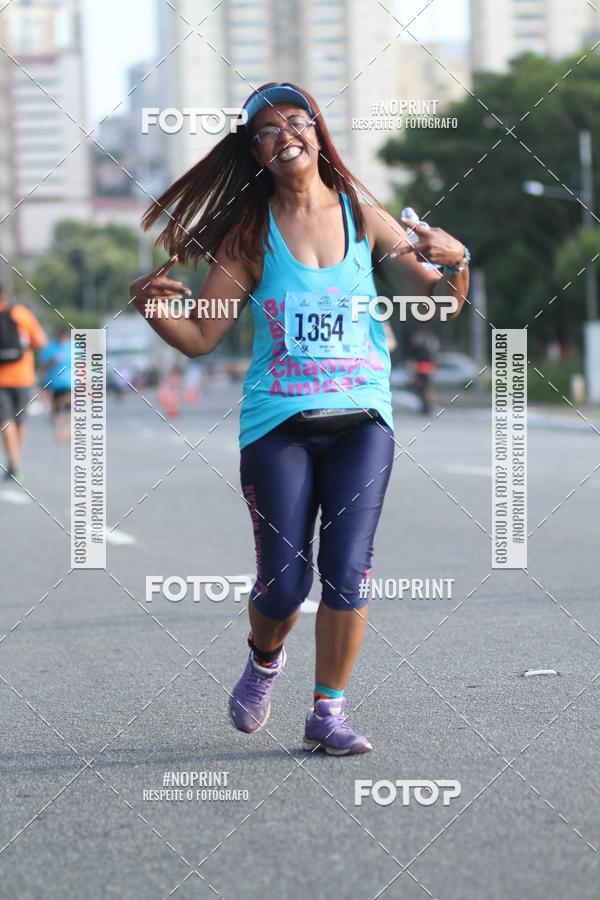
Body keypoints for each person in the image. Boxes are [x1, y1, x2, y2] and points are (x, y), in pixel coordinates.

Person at [129, 83, 470, 754]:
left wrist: (459, 262)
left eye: (296, 119)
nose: (284, 132)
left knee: (348, 569)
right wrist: (151, 309)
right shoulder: (248, 237)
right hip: (278, 424)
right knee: (285, 586)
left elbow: (440, 304)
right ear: (254, 152)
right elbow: (202, 338)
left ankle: (328, 713)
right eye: (266, 129)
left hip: (362, 418)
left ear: (316, 132)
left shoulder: (364, 215)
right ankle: (263, 659)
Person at [0, 284, 47, 481]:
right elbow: (41, 342)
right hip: (23, 376)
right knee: (20, 420)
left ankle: (14, 462)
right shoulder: (21, 314)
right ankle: (15, 462)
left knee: (5, 420)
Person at [38, 327, 72, 443]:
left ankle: (69, 431)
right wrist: (52, 362)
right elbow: (41, 367)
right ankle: (59, 431)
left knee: (70, 406)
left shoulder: (74, 347)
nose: (63, 339)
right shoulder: (50, 349)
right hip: (55, 383)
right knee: (56, 408)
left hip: (71, 382)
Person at [408, 325, 440, 415]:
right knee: (424, 389)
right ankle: (425, 406)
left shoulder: (425, 340)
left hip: (424, 367)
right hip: (422, 367)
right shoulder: (422, 340)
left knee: (426, 388)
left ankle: (427, 406)